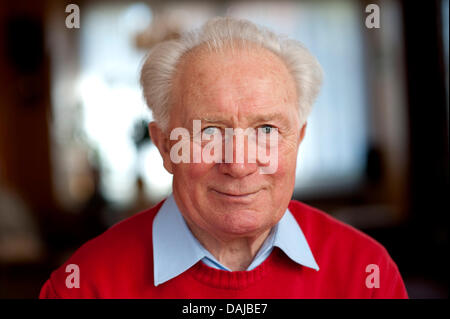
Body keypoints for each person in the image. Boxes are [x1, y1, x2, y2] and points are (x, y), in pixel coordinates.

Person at [39, 17, 408, 298]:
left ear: (299, 139)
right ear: (166, 146)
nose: (240, 165)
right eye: (209, 131)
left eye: (266, 130)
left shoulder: (366, 272)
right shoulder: (84, 285)